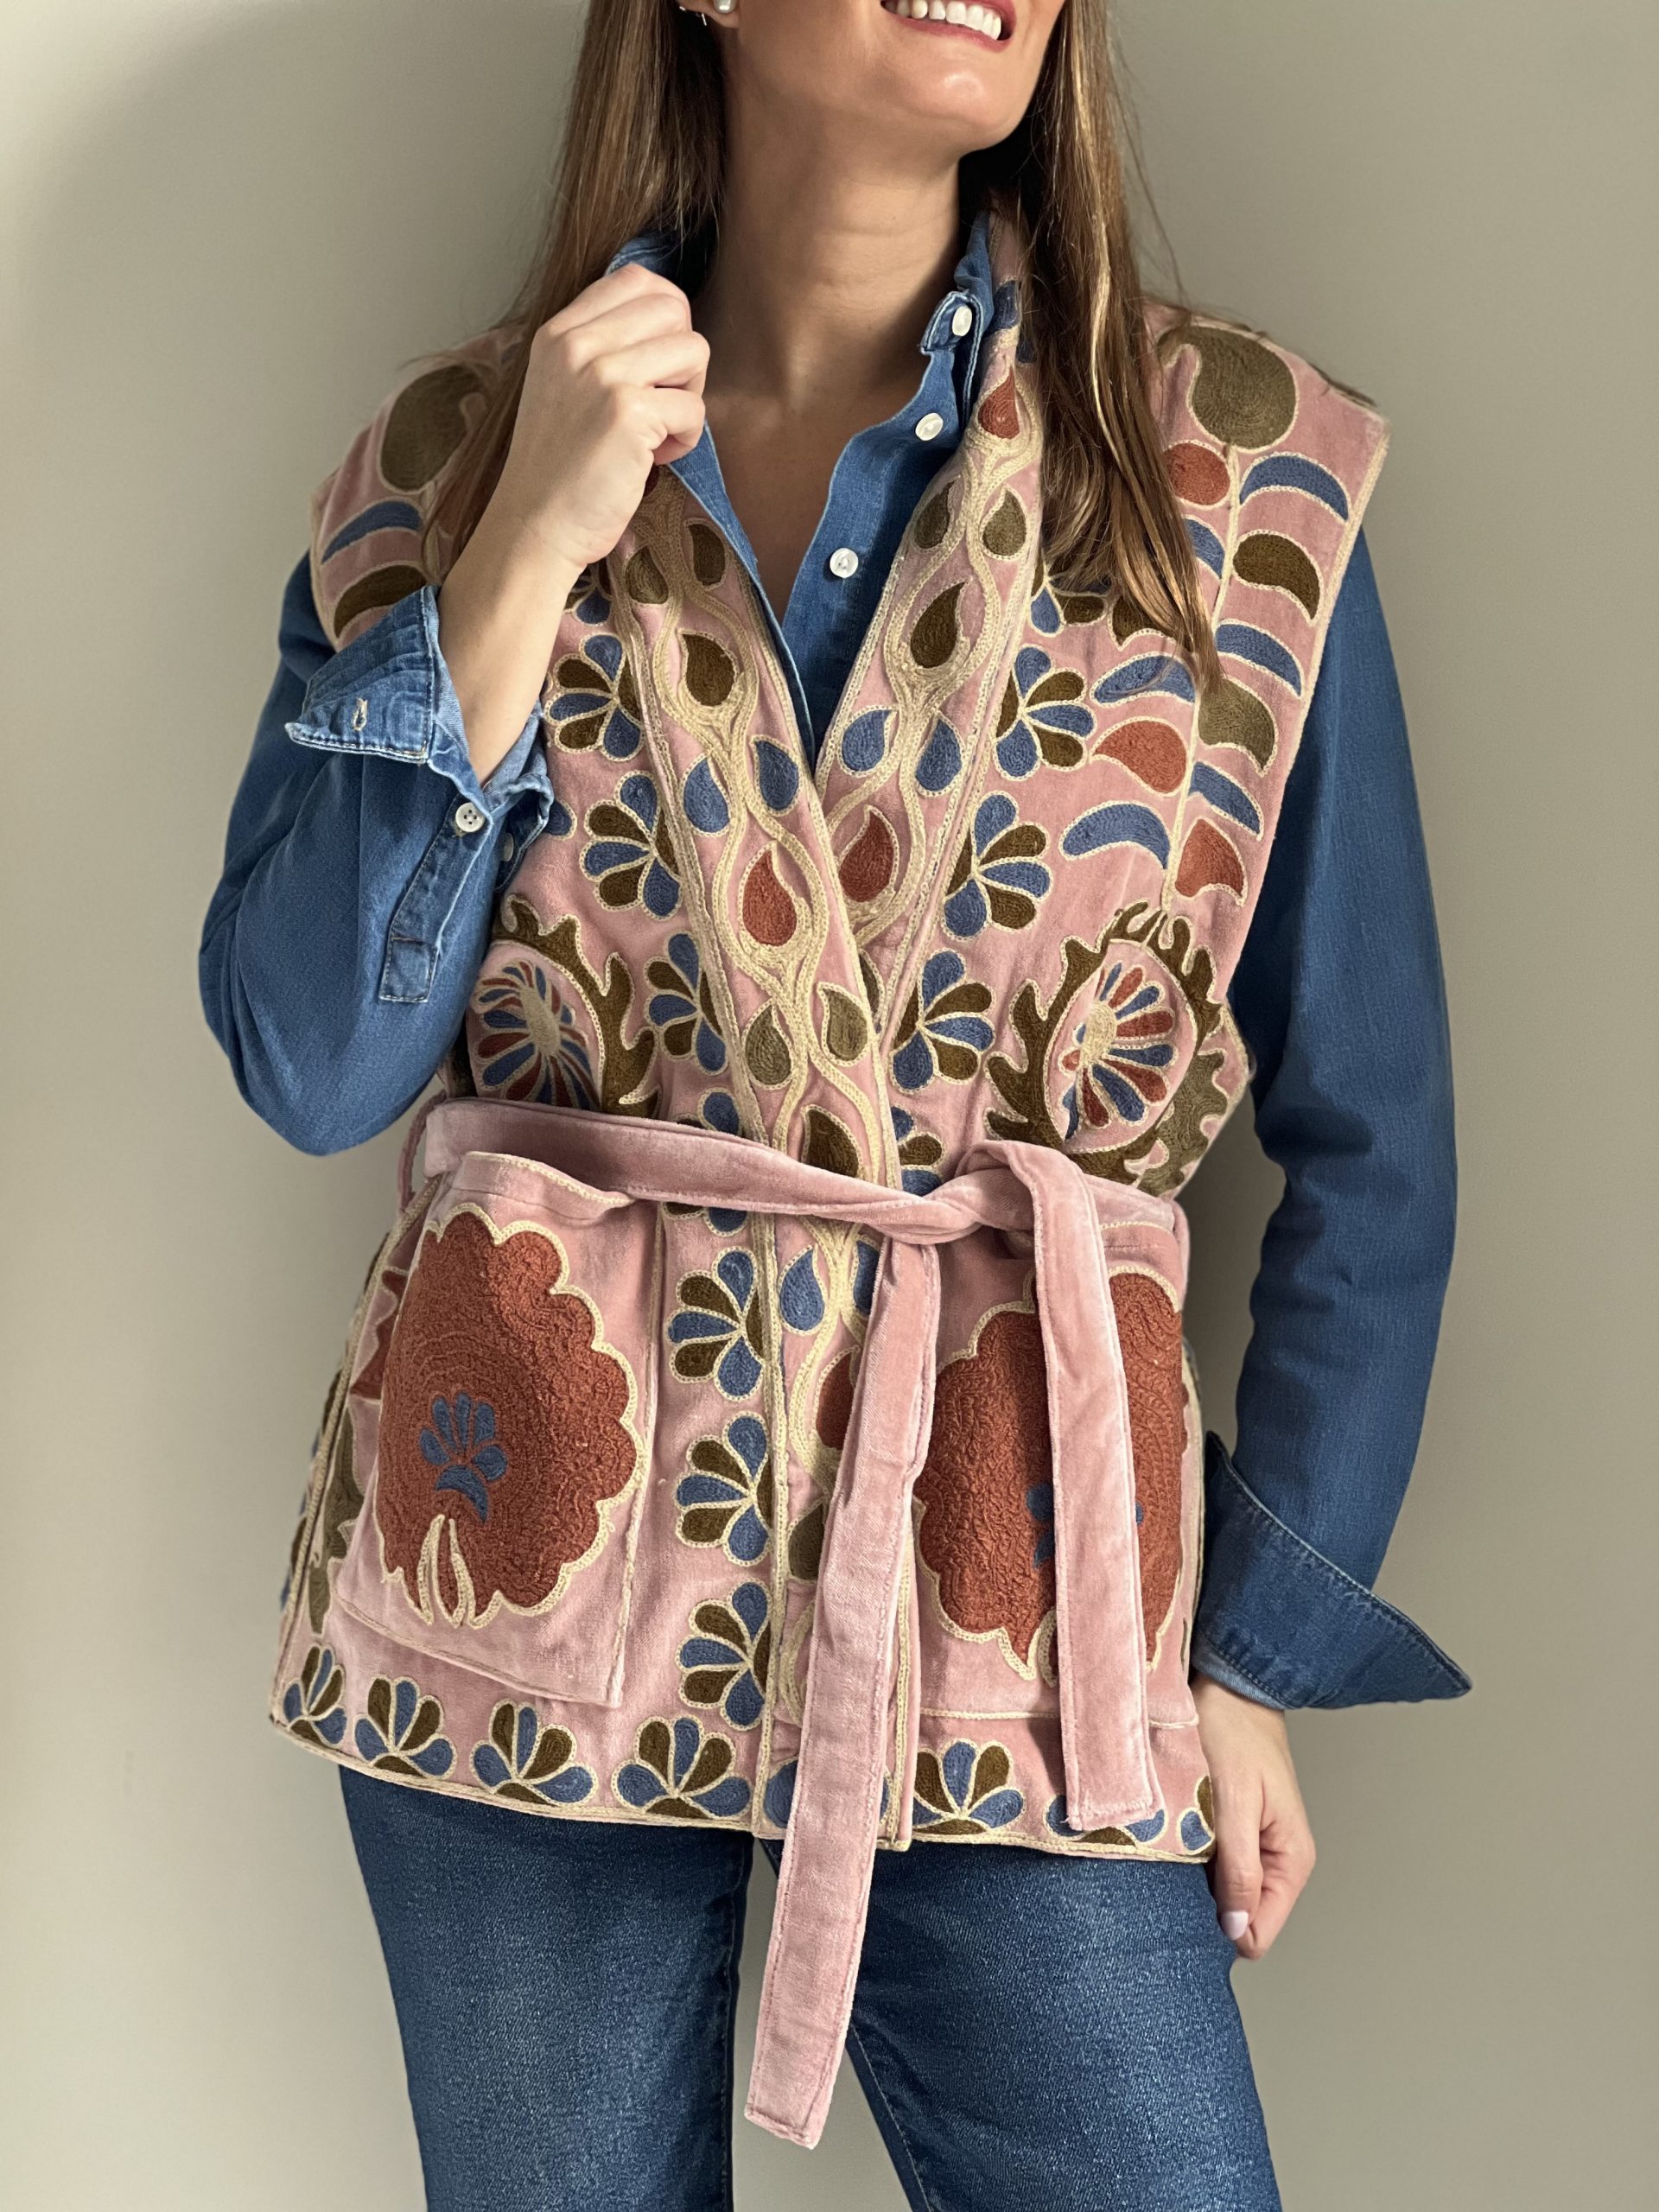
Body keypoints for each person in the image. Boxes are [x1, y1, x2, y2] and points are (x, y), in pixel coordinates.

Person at [199, 1, 1469, 2204]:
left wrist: (1251, 1651)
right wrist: (519, 550)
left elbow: (1376, 1132)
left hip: (1022, 1607)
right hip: (519, 1596)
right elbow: (313, 1055)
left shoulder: (1234, 483)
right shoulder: (449, 466)